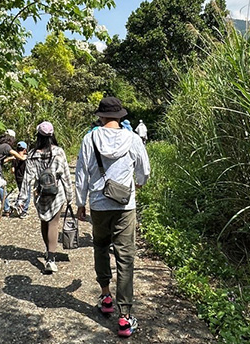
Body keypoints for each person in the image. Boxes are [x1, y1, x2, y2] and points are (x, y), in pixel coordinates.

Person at [75, 96, 151, 338]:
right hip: (124, 204)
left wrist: (80, 202)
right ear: (120, 117)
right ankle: (125, 317)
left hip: (98, 203)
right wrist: (138, 182)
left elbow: (81, 172)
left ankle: (106, 296)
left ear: (100, 116)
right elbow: (144, 169)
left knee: (100, 246)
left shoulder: (90, 139)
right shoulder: (133, 139)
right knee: (125, 257)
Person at [17, 121, 72, 274]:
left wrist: (21, 199)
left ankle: (48, 250)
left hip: (40, 194)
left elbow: (27, 179)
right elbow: (66, 175)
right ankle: (51, 259)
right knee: (53, 224)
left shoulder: (33, 155)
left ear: (38, 136)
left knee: (44, 222)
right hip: (57, 193)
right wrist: (70, 196)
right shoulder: (58, 152)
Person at [8, 140, 30, 217]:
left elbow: (12, 170)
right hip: (26, 178)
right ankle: (24, 210)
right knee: (27, 195)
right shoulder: (27, 158)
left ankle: (17, 205)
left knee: (21, 192)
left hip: (18, 178)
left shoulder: (14, 158)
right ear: (25, 150)